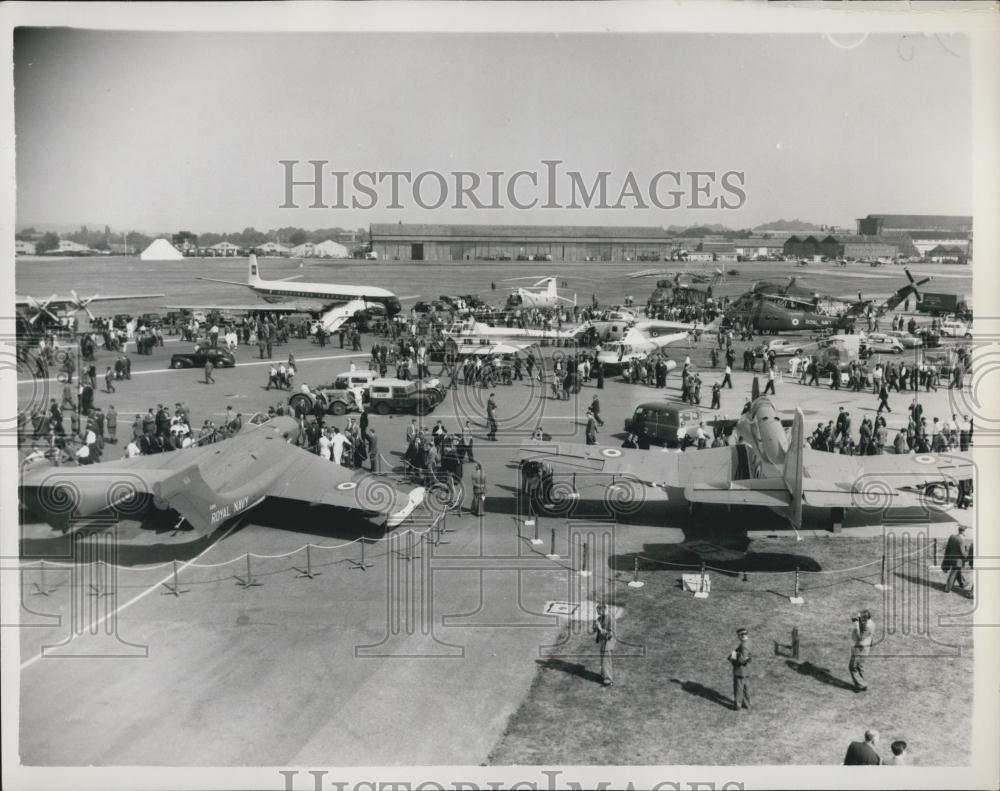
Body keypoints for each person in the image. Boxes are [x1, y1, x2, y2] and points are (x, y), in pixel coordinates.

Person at [942, 525, 973, 594]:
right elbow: (962, 553)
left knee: (958, 572)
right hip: (957, 561)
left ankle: (962, 584)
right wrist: (968, 557)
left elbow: (948, 548)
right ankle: (947, 588)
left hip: (951, 559)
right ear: (963, 532)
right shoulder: (961, 540)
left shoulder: (952, 537)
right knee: (953, 573)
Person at [590, 602, 615, 686]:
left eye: (598, 611)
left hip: (608, 643)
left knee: (606, 662)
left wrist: (600, 628)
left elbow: (610, 635)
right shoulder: (600, 618)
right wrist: (594, 627)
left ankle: (608, 681)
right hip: (602, 642)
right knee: (602, 661)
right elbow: (593, 631)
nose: (597, 613)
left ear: (603, 609)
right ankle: (603, 675)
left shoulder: (611, 619)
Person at [849, 609, 874, 692]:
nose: (859, 619)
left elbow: (860, 638)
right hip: (866, 648)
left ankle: (861, 685)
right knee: (859, 667)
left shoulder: (867, 626)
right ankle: (863, 683)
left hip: (860, 649)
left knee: (852, 667)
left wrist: (856, 624)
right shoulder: (872, 623)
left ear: (865, 618)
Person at [728, 627, 751, 711]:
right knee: (746, 689)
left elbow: (741, 660)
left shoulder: (743, 645)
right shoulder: (749, 642)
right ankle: (747, 705)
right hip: (747, 670)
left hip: (740, 671)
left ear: (741, 636)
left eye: (738, 636)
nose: (738, 637)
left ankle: (737, 706)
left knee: (738, 689)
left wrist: (733, 657)